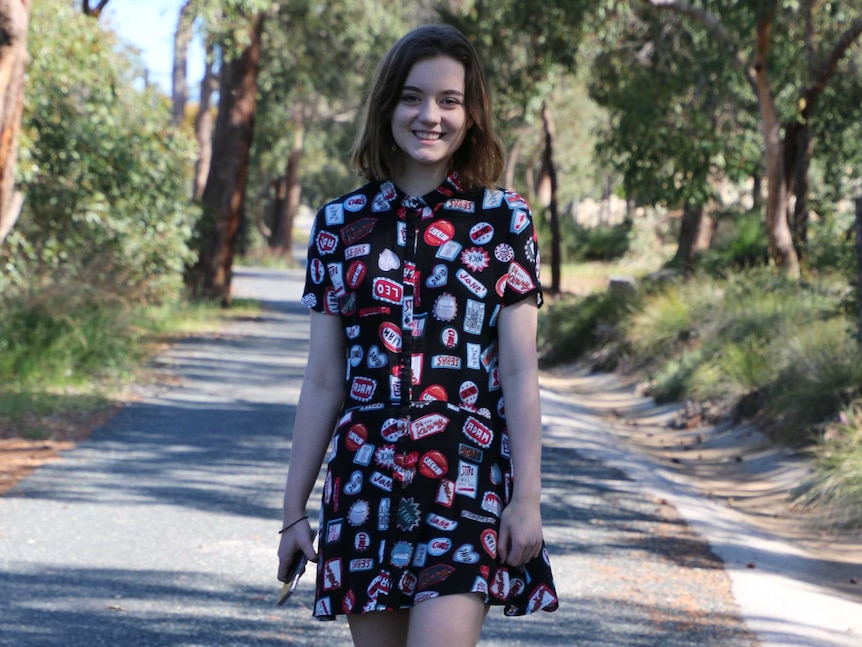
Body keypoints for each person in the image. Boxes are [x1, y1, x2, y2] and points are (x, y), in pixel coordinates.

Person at [277, 24, 558, 647]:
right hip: (364, 486)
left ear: (471, 114)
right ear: (387, 107)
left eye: (449, 100)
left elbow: (518, 372)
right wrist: (293, 512)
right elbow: (324, 379)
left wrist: (528, 500)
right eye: (412, 97)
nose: (429, 115)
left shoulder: (504, 219)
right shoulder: (340, 225)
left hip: (466, 478)